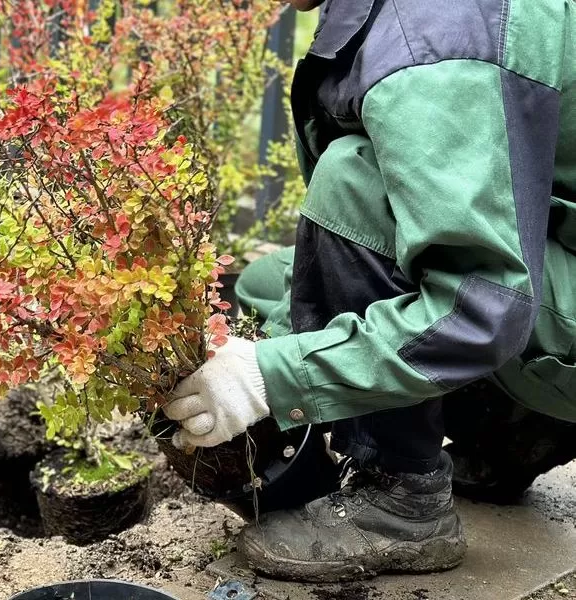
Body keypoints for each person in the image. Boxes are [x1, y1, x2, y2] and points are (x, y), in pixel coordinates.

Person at [163, 0, 576, 583]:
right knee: (264, 285)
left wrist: (271, 378)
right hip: (557, 256)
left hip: (529, 300)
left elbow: (483, 306)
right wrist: (284, 342)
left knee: (352, 186)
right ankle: (512, 432)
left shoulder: (436, 41)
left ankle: (404, 505)